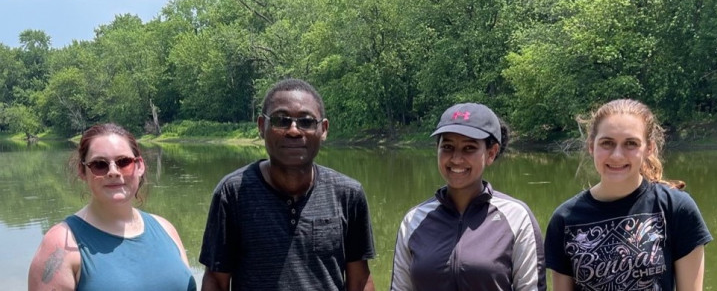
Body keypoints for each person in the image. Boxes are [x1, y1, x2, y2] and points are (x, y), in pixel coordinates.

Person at [199, 78, 376, 291]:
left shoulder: (348, 195)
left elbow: (359, 280)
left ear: (324, 129)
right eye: (281, 120)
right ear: (262, 126)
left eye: (307, 122)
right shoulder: (232, 193)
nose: (293, 130)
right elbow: (216, 281)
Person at [544, 99, 713, 290]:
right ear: (591, 146)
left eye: (631, 144)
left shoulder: (676, 208)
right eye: (607, 143)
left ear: (648, 148)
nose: (617, 155)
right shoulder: (565, 219)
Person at [391, 102, 547, 291]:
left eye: (469, 148)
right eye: (447, 147)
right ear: (437, 149)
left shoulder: (517, 218)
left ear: (491, 153)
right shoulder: (414, 220)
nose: (456, 159)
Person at [28, 123, 196, 291]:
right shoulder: (60, 245)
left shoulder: (165, 229)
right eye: (99, 165)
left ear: (139, 166)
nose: (113, 171)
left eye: (124, 162)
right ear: (82, 171)